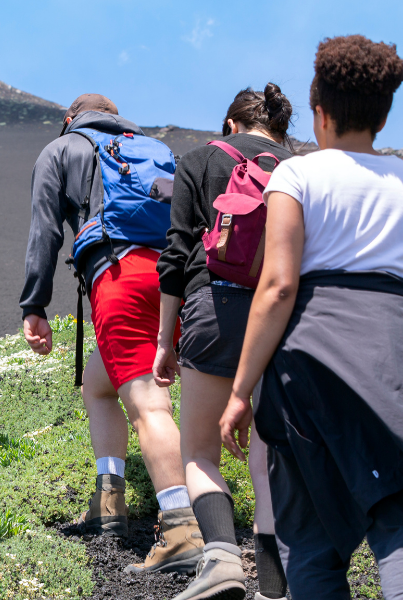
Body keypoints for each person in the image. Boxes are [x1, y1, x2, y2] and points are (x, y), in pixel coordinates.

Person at [220, 35, 403, 598]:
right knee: (396, 524)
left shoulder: (295, 176)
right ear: (384, 114)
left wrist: (240, 391)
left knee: (312, 544)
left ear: (318, 112)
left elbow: (277, 287)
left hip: (309, 364)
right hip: (391, 356)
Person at [21, 94, 203, 574]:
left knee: (149, 404)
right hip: (171, 279)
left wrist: (34, 305)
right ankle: (109, 503)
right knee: (99, 386)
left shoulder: (62, 149)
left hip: (118, 275)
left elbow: (45, 228)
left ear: (69, 117)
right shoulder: (149, 147)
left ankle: (182, 529)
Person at [154, 85, 294, 600]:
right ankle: (274, 587)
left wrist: (166, 339)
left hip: (212, 308)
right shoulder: (300, 169)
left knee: (200, 452)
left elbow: (176, 254)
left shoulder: (197, 160)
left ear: (231, 125)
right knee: (267, 455)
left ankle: (221, 561)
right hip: (281, 318)